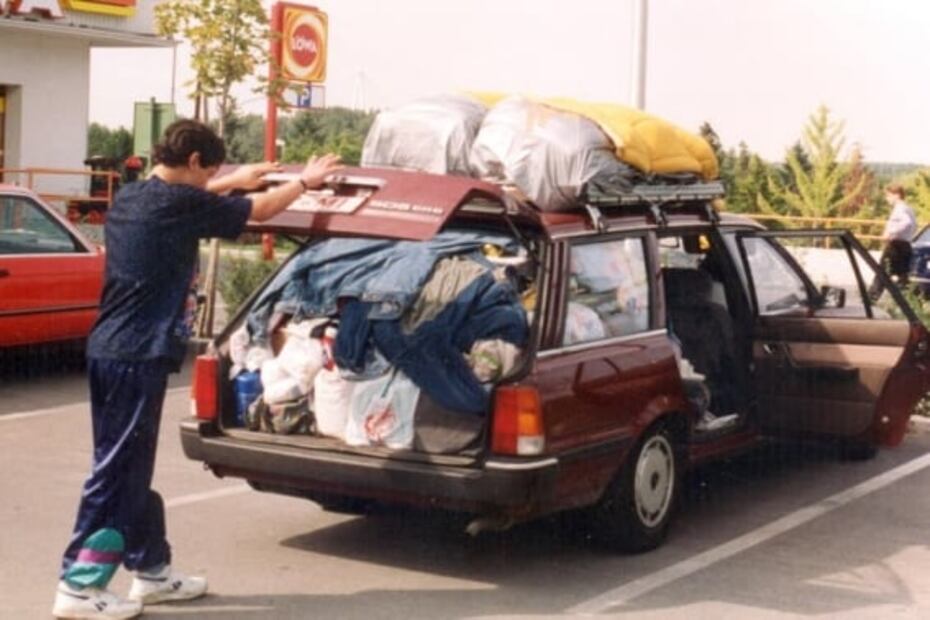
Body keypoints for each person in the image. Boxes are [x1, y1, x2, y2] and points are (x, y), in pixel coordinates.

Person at [52, 119, 343, 620]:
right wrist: (305, 182)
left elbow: (203, 194)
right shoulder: (180, 205)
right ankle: (78, 587)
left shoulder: (134, 196)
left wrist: (232, 177)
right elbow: (262, 208)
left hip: (110, 350)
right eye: (208, 170)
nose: (210, 179)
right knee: (118, 473)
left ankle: (152, 571)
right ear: (193, 163)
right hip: (136, 356)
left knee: (129, 467)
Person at [869, 184, 917, 300]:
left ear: (897, 195)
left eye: (889, 196)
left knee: (882, 272)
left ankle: (872, 298)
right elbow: (913, 225)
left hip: (896, 245)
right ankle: (909, 300)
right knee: (903, 276)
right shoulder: (908, 208)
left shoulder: (900, 208)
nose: (887, 199)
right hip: (905, 244)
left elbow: (907, 223)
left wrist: (891, 233)